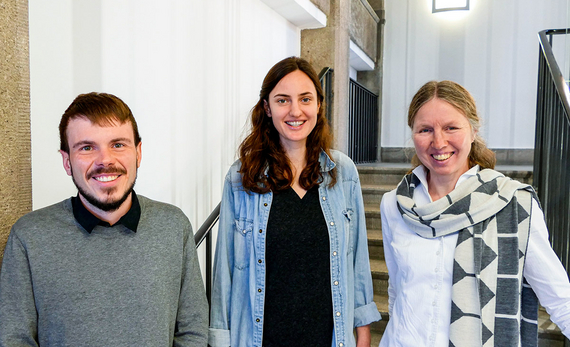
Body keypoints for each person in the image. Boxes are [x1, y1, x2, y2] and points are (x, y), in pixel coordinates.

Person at [0, 93, 209, 346]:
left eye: (118, 144)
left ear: (138, 153)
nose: (105, 160)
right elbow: (15, 339)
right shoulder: (29, 236)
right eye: (87, 148)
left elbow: (193, 331)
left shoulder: (174, 226)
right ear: (67, 161)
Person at [379, 80, 570, 347]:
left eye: (451, 127)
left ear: (473, 131)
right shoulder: (394, 204)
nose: (438, 141)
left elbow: (560, 298)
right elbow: (398, 288)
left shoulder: (512, 203)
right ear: (413, 135)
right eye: (425, 130)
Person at [208, 56, 380, 347]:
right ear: (267, 108)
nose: (295, 111)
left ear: (318, 105)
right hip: (259, 338)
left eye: (305, 99)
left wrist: (362, 330)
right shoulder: (241, 177)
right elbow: (224, 270)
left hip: (328, 337)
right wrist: (220, 338)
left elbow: (357, 260)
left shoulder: (343, 173)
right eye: (283, 100)